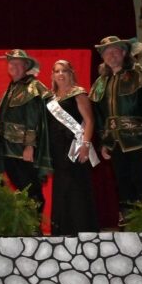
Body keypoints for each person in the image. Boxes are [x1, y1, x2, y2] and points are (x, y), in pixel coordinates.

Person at [89, 35, 142, 225]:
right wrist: (104, 143)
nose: (111, 55)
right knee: (122, 183)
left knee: (141, 181)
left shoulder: (140, 74)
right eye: (107, 52)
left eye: (115, 51)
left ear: (124, 52)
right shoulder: (100, 82)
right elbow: (99, 116)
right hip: (115, 143)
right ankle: (128, 225)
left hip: (140, 140)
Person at [45, 60, 100, 235]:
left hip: (74, 147)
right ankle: (62, 230)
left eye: (64, 71)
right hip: (57, 149)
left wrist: (85, 144)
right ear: (53, 75)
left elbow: (89, 121)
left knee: (77, 187)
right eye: (57, 71)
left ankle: (82, 229)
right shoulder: (50, 98)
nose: (60, 74)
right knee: (61, 188)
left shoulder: (78, 93)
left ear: (71, 73)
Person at [0, 49, 51, 217]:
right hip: (8, 147)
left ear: (26, 66)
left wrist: (29, 145)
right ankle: (27, 222)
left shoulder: (32, 87)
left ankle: (35, 224)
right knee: (21, 187)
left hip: (22, 149)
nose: (13, 66)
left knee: (30, 188)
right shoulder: (13, 87)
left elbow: (33, 118)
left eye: (17, 63)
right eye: (11, 63)